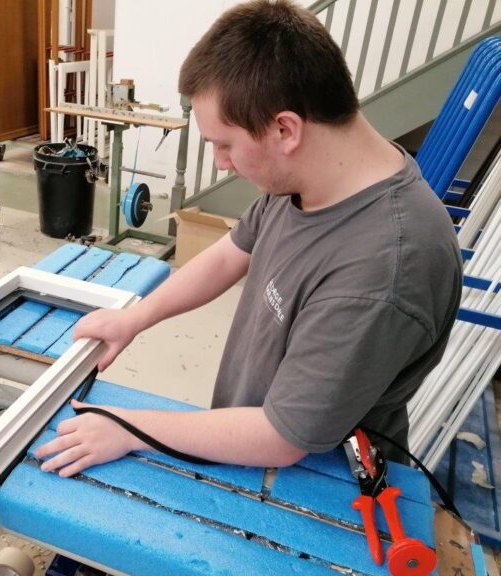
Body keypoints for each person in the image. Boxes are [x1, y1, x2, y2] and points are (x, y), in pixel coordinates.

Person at [36, 0, 462, 477]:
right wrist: (134, 319)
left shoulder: (386, 267)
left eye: (225, 144)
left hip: (313, 484)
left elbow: (281, 438)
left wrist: (130, 429)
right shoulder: (311, 175)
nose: (221, 162)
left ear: (285, 129)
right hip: (248, 430)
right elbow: (230, 253)